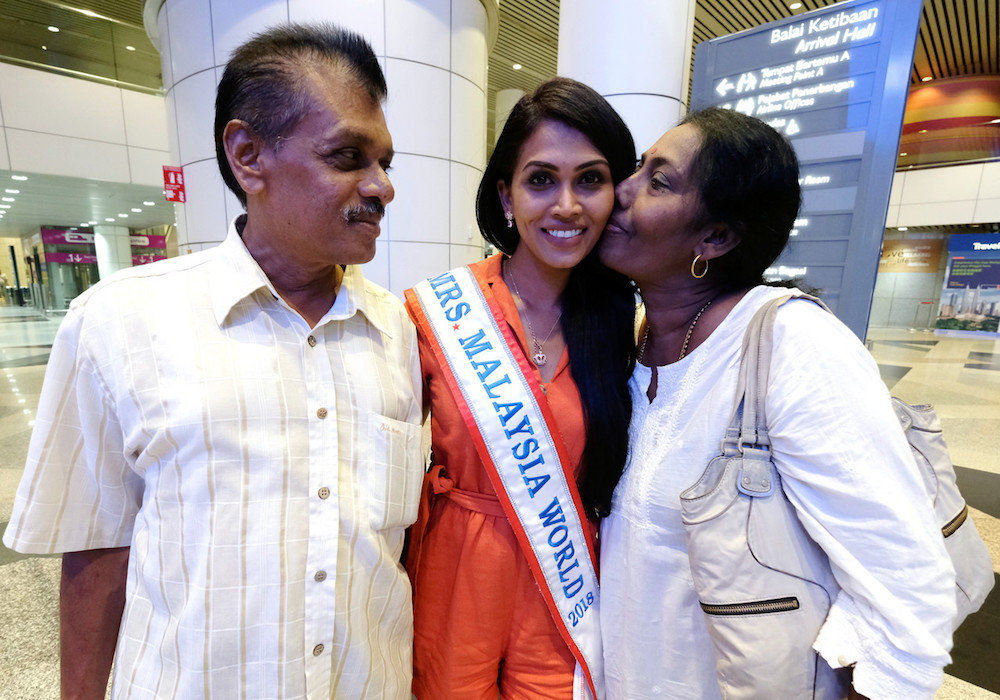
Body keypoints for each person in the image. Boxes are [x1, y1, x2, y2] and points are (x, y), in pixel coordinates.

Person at [3, 23, 422, 699]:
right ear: (248, 155)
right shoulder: (119, 322)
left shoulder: (397, 332)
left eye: (385, 163)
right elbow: (96, 550)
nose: (381, 188)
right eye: (348, 157)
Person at [597, 107, 956, 700]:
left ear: (716, 237)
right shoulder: (629, 340)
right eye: (638, 167)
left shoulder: (791, 344)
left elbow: (906, 578)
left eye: (658, 181)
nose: (622, 190)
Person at [403, 77, 636, 699]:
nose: (567, 205)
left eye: (590, 179)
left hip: (562, 575)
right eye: (541, 180)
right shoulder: (438, 313)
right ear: (506, 196)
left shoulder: (626, 326)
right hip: (457, 574)